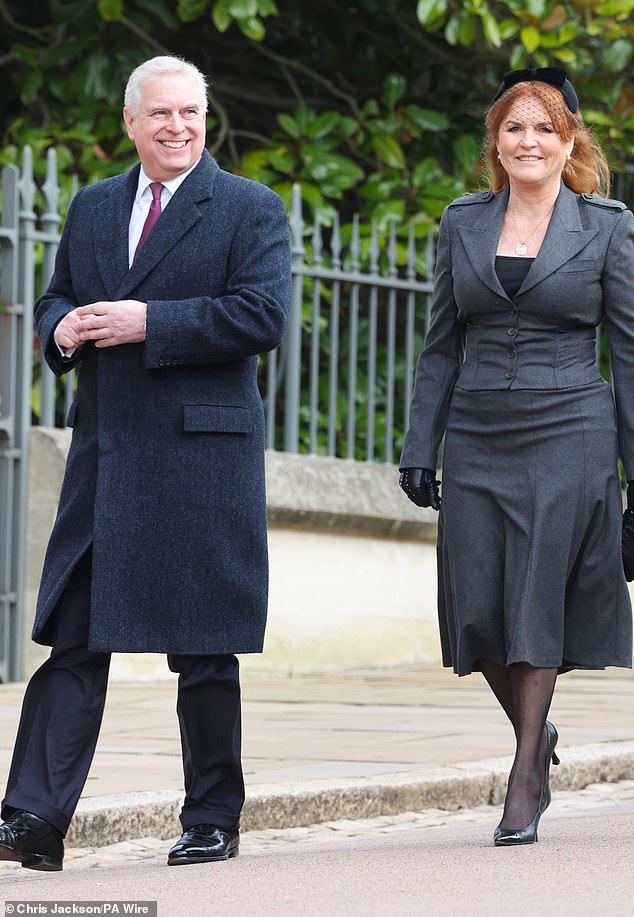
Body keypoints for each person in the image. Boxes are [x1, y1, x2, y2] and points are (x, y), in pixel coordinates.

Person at [0, 55, 291, 870]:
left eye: (190, 112)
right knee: (76, 642)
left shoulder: (248, 208)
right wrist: (58, 331)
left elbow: (263, 314)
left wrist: (147, 322)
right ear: (129, 122)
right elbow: (58, 294)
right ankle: (32, 817)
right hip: (109, 453)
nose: (177, 127)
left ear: (207, 116)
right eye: (160, 114)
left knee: (201, 650)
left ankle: (211, 817)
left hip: (201, 454)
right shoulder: (93, 206)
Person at [399, 67, 633, 846]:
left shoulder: (606, 226)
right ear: (495, 142)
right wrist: (418, 443)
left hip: (569, 427)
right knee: (479, 608)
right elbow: (440, 344)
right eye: (513, 128)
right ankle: (541, 733)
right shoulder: (462, 221)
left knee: (535, 595)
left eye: (544, 127)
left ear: (569, 140)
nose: (527, 141)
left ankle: (526, 772)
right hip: (475, 433)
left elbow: (628, 358)